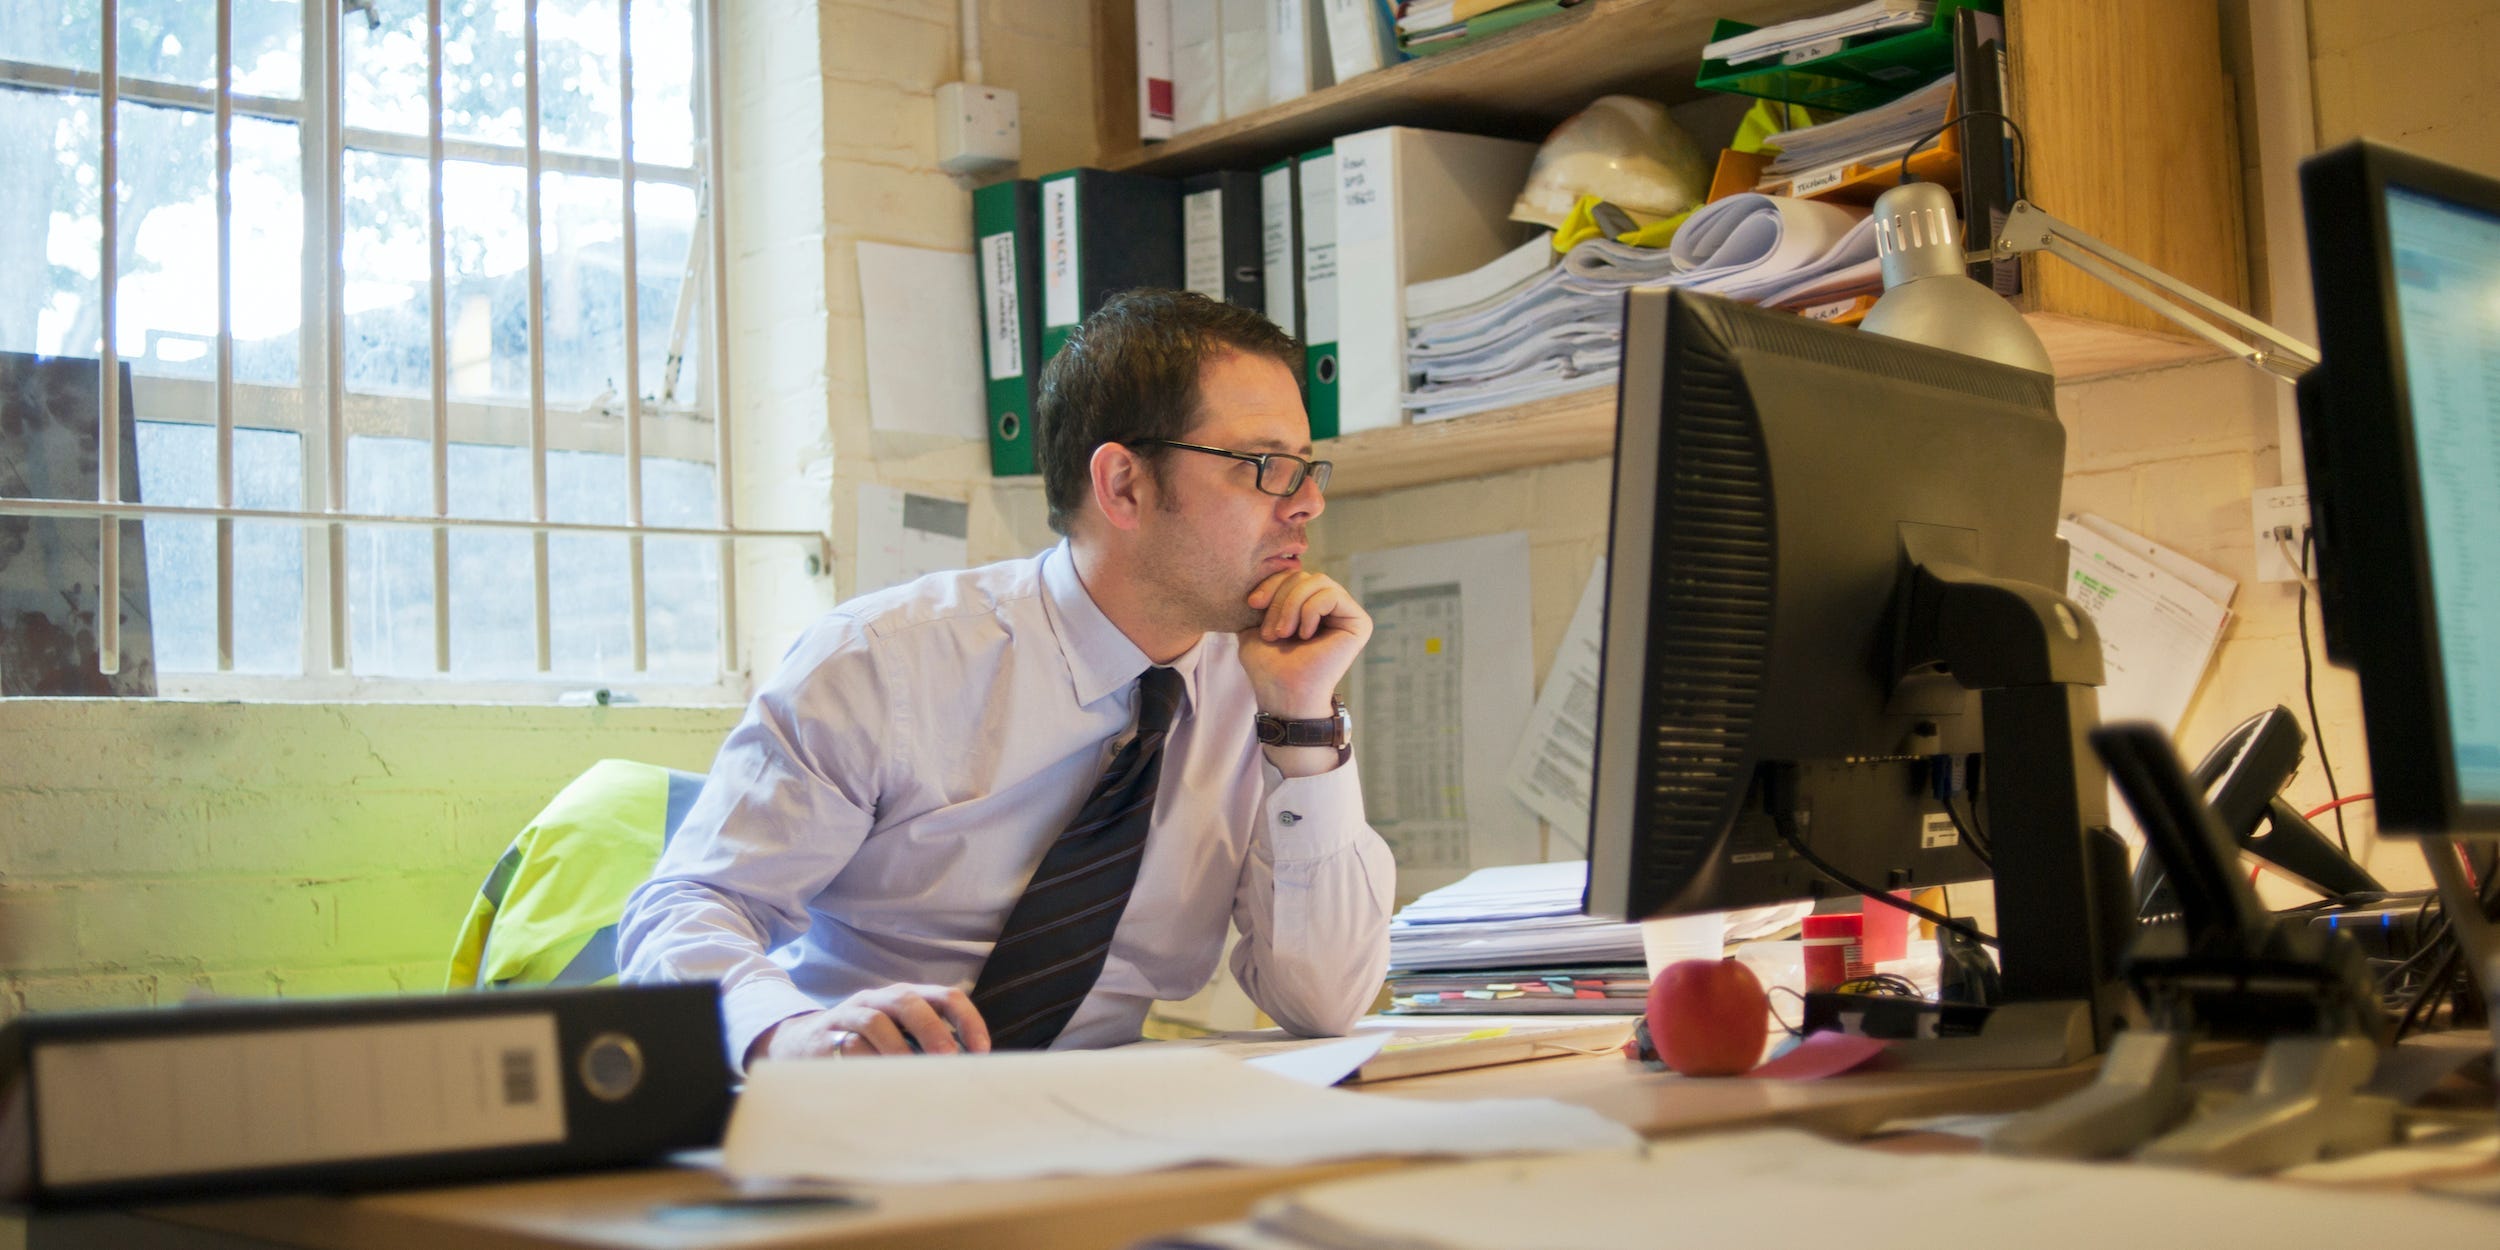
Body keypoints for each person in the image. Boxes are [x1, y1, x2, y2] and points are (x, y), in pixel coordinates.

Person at [618, 289, 1395, 1068]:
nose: (1309, 503)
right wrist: (785, 1032)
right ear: (1123, 485)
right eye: (1266, 467)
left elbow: (1320, 1003)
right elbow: (685, 909)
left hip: (1102, 1122)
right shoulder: (882, 663)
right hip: (868, 1105)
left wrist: (1301, 721)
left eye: (1307, 467)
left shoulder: (1260, 685)